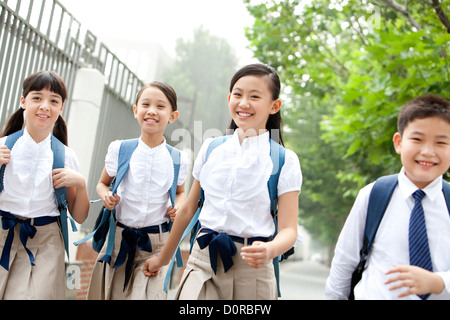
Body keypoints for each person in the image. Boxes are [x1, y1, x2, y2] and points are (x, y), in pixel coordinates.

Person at [143, 63, 302, 300]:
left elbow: (289, 228)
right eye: (237, 94)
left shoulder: (284, 160)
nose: (244, 103)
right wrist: (163, 258)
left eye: (255, 96)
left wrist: (270, 249)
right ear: (229, 98)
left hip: (252, 270)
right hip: (202, 261)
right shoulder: (211, 148)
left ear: (274, 106)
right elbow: (187, 209)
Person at [325, 94, 450, 300]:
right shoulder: (374, 194)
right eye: (417, 139)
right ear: (399, 142)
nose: (428, 151)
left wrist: (438, 282)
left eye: (441, 142)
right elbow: (345, 261)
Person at [86, 81, 189, 300]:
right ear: (135, 111)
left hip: (156, 245)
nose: (152, 111)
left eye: (161, 106)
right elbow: (102, 183)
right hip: (117, 241)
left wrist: (177, 206)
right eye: (146, 104)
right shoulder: (120, 149)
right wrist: (105, 195)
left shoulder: (178, 158)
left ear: (172, 115)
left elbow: (181, 192)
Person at [0, 70, 90, 299]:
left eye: (54, 101)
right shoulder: (3, 147)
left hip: (45, 243)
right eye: (37, 98)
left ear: (61, 108)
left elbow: (79, 216)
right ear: (23, 102)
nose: (44, 106)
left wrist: (81, 184)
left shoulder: (66, 156)